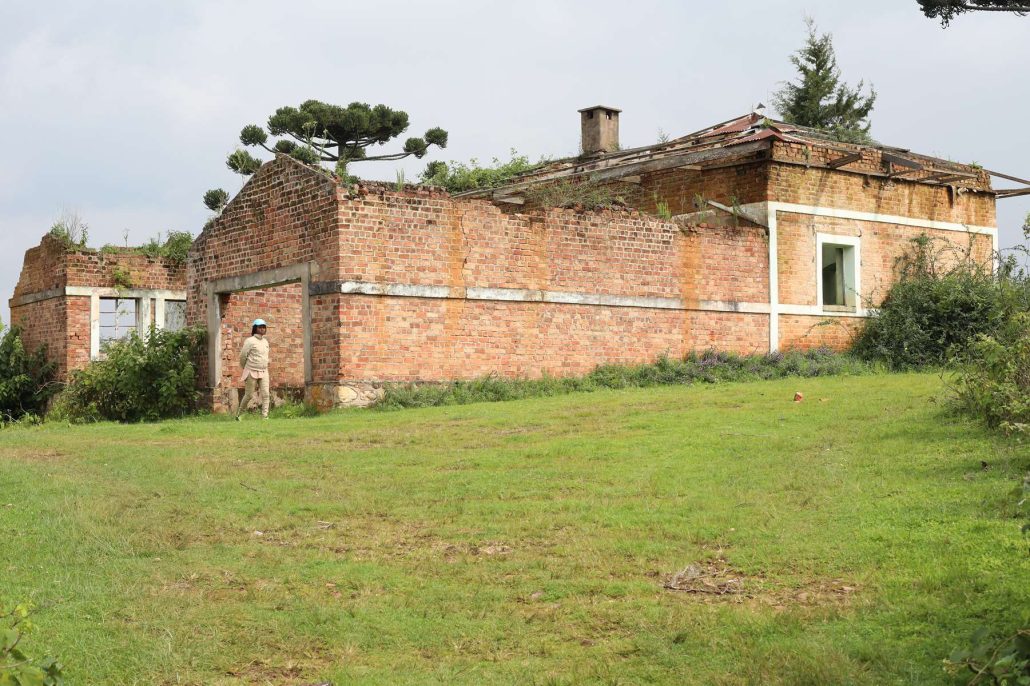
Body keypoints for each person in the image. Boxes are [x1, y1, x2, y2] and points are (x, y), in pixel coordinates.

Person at [236, 318, 270, 420]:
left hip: (264, 371)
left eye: (264, 327)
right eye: (260, 327)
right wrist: (245, 368)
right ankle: (239, 415)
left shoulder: (265, 342)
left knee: (266, 394)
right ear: (255, 328)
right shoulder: (250, 341)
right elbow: (242, 356)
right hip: (251, 371)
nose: (262, 329)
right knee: (249, 395)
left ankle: (264, 416)